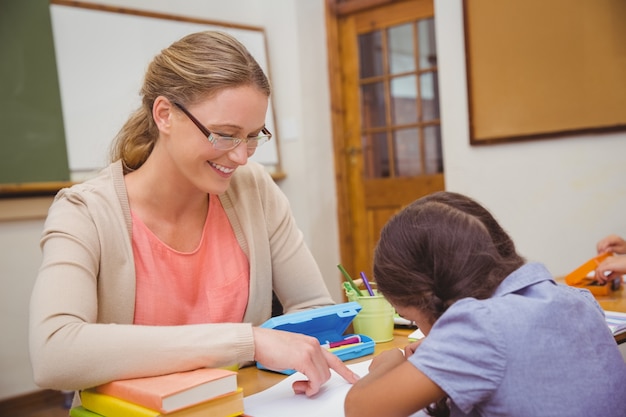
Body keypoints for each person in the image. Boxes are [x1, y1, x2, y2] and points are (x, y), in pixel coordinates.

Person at [29, 30, 358, 400]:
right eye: (224, 135)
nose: (241, 156)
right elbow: (53, 353)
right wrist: (245, 341)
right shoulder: (85, 211)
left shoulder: (253, 189)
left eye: (253, 136)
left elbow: (313, 308)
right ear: (164, 114)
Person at [344, 191, 626, 417]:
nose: (421, 331)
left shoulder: (480, 326)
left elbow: (360, 409)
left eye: (414, 320)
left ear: (432, 295)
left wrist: (389, 364)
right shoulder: (576, 299)